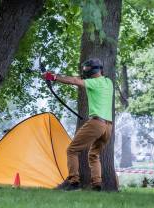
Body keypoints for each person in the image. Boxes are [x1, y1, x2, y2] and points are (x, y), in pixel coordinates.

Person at [42, 58, 113, 191]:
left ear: (91, 71)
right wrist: (57, 75)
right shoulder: (108, 82)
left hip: (96, 123)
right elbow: (77, 77)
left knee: (72, 150)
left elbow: (74, 81)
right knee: (94, 155)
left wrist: (53, 77)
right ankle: (97, 185)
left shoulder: (93, 83)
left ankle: (74, 182)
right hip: (108, 127)